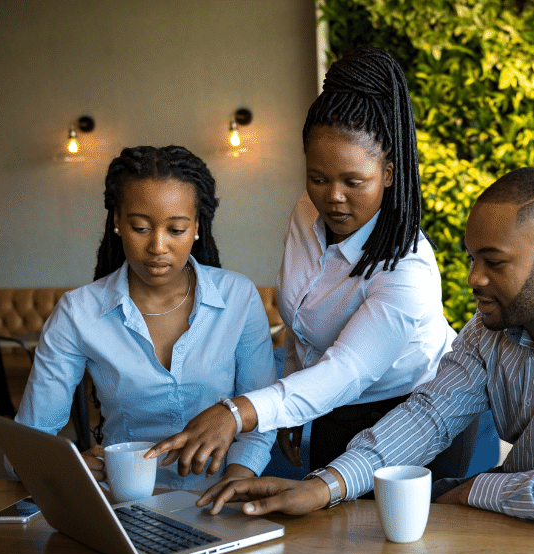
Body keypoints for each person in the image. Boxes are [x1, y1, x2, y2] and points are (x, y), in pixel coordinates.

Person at [195, 167, 534, 534]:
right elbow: (425, 418)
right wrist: (324, 487)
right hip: (513, 539)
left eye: (494, 261)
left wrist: (473, 489)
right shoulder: (488, 334)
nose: (473, 279)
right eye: (471, 258)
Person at [147, 47, 497, 482]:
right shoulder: (305, 214)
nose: (333, 196)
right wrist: (290, 404)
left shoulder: (407, 269)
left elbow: (346, 369)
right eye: (318, 178)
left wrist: (239, 412)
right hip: (331, 406)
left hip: (416, 415)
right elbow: (301, 325)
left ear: (388, 171)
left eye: (354, 181)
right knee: (331, 542)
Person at [13, 145, 278, 491]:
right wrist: (72, 466)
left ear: (197, 227)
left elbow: (259, 413)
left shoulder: (238, 297)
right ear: (118, 223)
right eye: (140, 228)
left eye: (176, 230)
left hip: (220, 498)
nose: (157, 246)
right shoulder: (78, 313)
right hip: (123, 500)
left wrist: (234, 485)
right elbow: (26, 444)